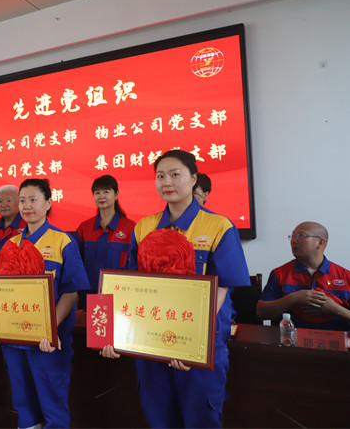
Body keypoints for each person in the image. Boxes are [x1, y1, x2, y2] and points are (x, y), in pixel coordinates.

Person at [101, 150, 250, 428]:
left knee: (200, 418)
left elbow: (222, 286)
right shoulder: (143, 227)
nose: (166, 182)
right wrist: (112, 332)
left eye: (175, 174)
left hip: (199, 345)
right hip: (150, 341)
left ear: (193, 179)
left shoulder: (218, 226)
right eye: (160, 176)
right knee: (159, 416)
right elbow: (129, 285)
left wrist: (191, 341)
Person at [0, 178, 89, 428]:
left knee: (52, 404)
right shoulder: (10, 244)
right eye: (22, 201)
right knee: (24, 403)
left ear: (48, 203)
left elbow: (71, 292)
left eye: (33, 200)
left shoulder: (63, 241)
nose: (27, 206)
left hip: (48, 342)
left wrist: (50, 328)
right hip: (14, 340)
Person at [257, 222, 350, 331]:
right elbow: (261, 313)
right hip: (291, 339)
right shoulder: (280, 274)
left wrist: (336, 310)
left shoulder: (349, 278)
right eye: (292, 236)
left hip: (336, 340)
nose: (293, 241)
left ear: (320, 242)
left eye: (301, 235)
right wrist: (293, 298)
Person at [76, 175, 136, 306]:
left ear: (116, 194)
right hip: (88, 298)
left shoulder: (130, 228)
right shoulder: (84, 228)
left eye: (106, 191)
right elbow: (76, 265)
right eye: (97, 192)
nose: (101, 196)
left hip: (120, 299)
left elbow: (135, 266)